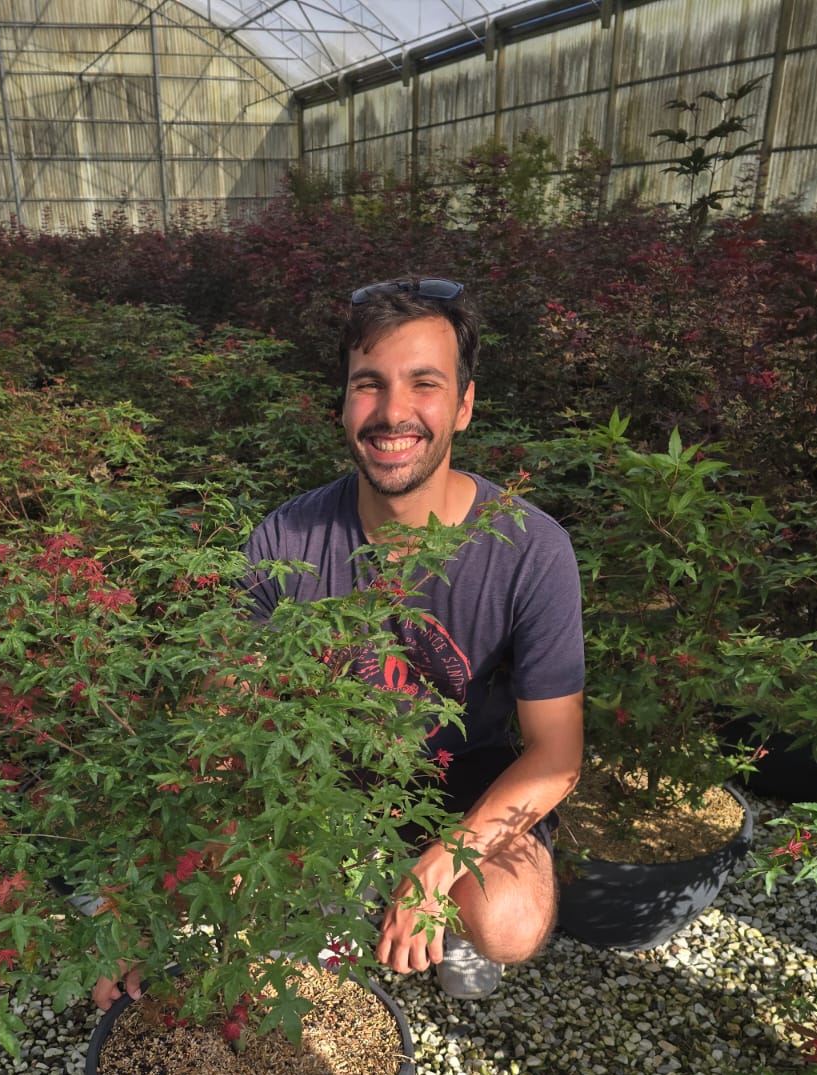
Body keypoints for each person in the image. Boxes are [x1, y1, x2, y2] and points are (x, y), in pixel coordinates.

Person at [241, 276, 585, 1000]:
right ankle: (339, 899)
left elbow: (556, 755)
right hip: (326, 781)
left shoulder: (530, 549)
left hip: (469, 779)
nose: (393, 411)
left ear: (463, 405)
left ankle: (451, 915)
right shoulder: (286, 540)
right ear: (343, 403)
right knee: (246, 894)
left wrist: (443, 864)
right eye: (368, 384)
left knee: (509, 920)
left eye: (424, 383)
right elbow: (231, 718)